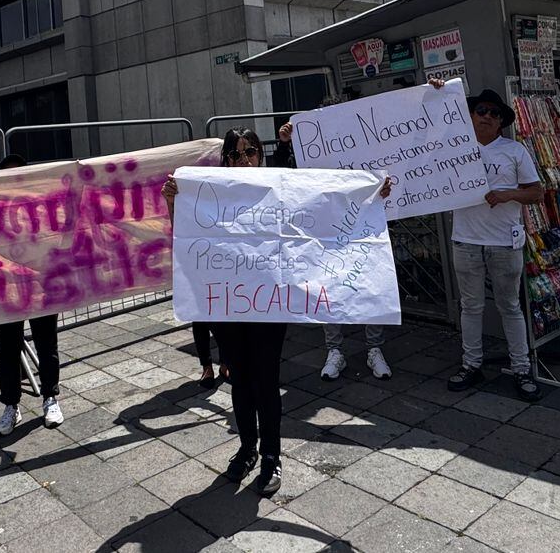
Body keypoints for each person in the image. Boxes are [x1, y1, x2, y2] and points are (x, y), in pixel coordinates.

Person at [161, 128, 390, 496]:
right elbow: (188, 240)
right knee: (239, 378)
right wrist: (176, 203)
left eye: (250, 151)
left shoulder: (282, 190)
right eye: (235, 155)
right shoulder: (213, 193)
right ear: (225, 161)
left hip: (269, 304)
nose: (244, 160)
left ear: (261, 155)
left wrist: (370, 196)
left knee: (265, 379)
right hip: (230, 305)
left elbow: (325, 211)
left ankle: (271, 455)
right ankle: (247, 448)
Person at [264, 121, 393, 382]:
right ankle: (335, 351)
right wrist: (284, 144)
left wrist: (382, 188)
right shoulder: (306, 153)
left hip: (362, 226)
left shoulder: (367, 146)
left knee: (371, 284)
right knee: (329, 289)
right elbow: (277, 175)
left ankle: (374, 349)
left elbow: (386, 175)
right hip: (324, 232)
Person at [440, 84, 545, 402]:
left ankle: (522, 368)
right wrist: (435, 93)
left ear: (502, 121)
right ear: (471, 115)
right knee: (470, 307)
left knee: (510, 307)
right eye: (480, 110)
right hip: (465, 241)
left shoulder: (515, 151)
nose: (486, 116)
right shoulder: (454, 150)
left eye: (493, 113)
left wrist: (508, 194)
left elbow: (537, 192)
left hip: (503, 241)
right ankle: (471, 364)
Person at [0, 154, 64, 436]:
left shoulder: (42, 207)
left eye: (19, 175)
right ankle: (11, 405)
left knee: (47, 344)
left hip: (40, 286)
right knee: (6, 349)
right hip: (5, 290)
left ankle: (50, 398)